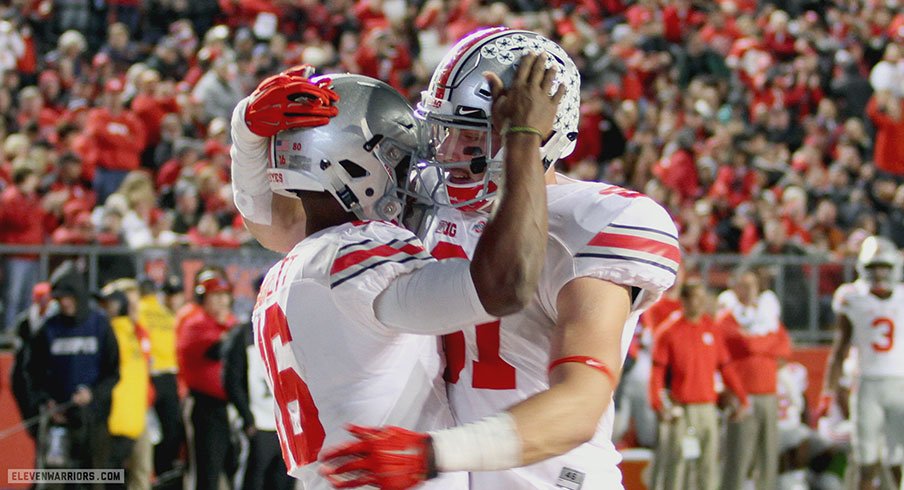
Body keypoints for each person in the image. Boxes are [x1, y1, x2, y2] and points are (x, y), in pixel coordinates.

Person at [320, 28, 678, 489]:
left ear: (540, 135)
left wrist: (436, 452)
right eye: (444, 131)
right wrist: (250, 140)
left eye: (471, 138)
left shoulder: (595, 222)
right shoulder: (426, 201)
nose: (447, 153)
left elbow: (580, 405)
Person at [236, 60, 556, 488]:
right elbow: (502, 288)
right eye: (400, 161)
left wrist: (246, 134)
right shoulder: (360, 256)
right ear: (350, 167)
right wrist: (522, 139)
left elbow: (269, 218)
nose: (414, 176)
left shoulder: (289, 272)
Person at [648, 280, 749, 490]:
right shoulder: (669, 331)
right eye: (696, 298)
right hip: (681, 409)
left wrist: (742, 397)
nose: (702, 303)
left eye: (704, 298)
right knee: (676, 464)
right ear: (684, 300)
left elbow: (726, 367)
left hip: (708, 408)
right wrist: (657, 403)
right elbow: (657, 371)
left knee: (708, 465)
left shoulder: (711, 328)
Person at [822, 236, 904, 490]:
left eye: (884, 268)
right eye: (873, 267)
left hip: (899, 381)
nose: (879, 274)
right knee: (866, 459)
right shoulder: (852, 296)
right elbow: (840, 347)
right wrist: (827, 391)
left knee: (898, 457)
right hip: (866, 382)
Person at [24, 261, 120, 475]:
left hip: (94, 419)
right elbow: (31, 372)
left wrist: (93, 394)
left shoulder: (100, 325)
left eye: (68, 297)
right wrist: (44, 401)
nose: (65, 303)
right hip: (58, 419)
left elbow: (113, 372)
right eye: (60, 298)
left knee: (93, 478)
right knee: (53, 479)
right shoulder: (48, 329)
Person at [716, 269, 792, 490]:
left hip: (768, 393)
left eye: (753, 285)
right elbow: (751, 345)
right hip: (742, 395)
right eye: (744, 285)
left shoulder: (766, 315)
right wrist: (767, 344)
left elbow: (785, 347)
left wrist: (758, 344)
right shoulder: (727, 318)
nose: (749, 290)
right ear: (735, 288)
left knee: (768, 458)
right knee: (738, 459)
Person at [222, 276, 292, 490]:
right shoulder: (243, 334)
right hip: (259, 423)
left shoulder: (290, 329)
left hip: (285, 425)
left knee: (283, 480)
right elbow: (232, 381)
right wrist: (247, 418)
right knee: (253, 479)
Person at [176, 268, 236, 490]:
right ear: (203, 298)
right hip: (204, 406)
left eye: (224, 295)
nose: (222, 302)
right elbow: (217, 350)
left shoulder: (229, 322)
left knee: (234, 467)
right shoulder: (195, 323)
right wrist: (233, 333)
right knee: (206, 471)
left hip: (229, 407)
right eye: (215, 296)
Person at [96, 282, 152, 489]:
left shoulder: (114, 334)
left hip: (116, 419)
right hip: (134, 417)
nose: (101, 309)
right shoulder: (132, 333)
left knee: (111, 477)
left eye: (106, 304)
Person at [139, 276, 184, 488]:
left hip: (153, 376)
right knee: (166, 431)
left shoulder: (145, 311)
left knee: (156, 432)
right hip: (163, 377)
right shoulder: (163, 314)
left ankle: (156, 474)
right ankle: (160, 473)